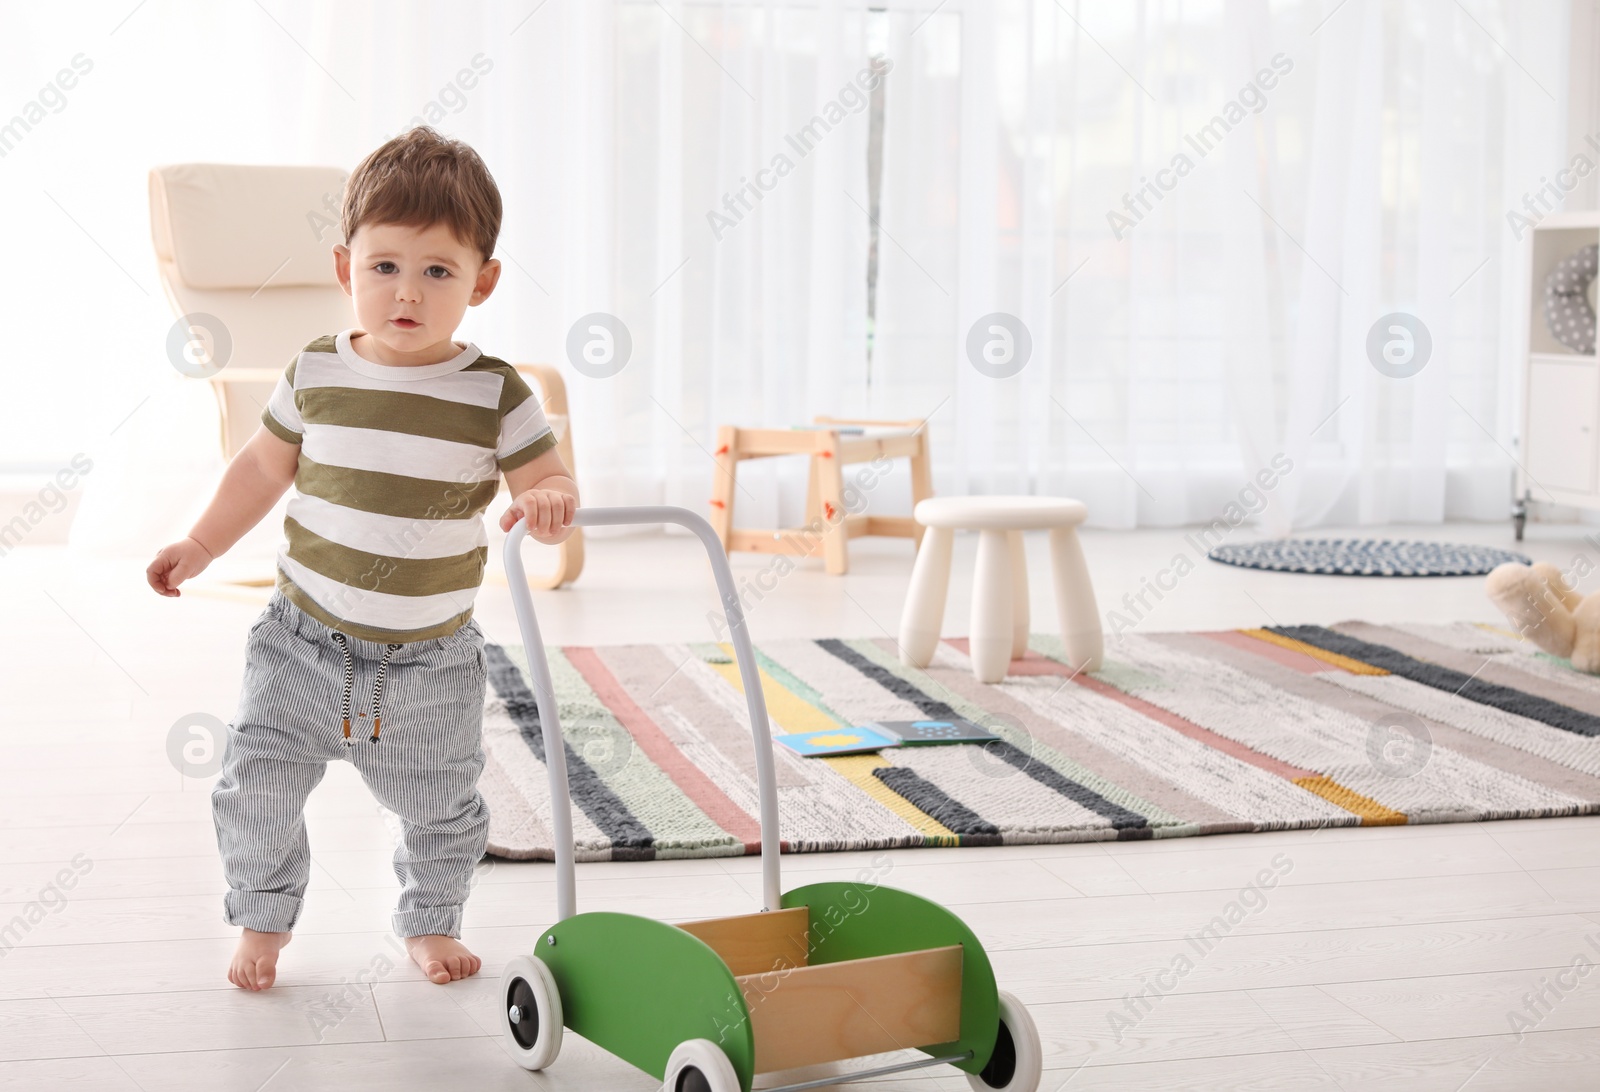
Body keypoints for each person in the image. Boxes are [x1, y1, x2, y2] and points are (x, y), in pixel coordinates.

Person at [146, 126, 578, 991]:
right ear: (346, 267)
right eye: (385, 267)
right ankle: (263, 918)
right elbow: (262, 469)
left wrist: (547, 504)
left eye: (437, 271)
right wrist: (200, 543)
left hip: (428, 662)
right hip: (301, 641)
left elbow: (548, 483)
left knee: (442, 808)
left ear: (481, 282)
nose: (406, 292)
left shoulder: (495, 393)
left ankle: (428, 922)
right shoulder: (314, 372)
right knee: (254, 783)